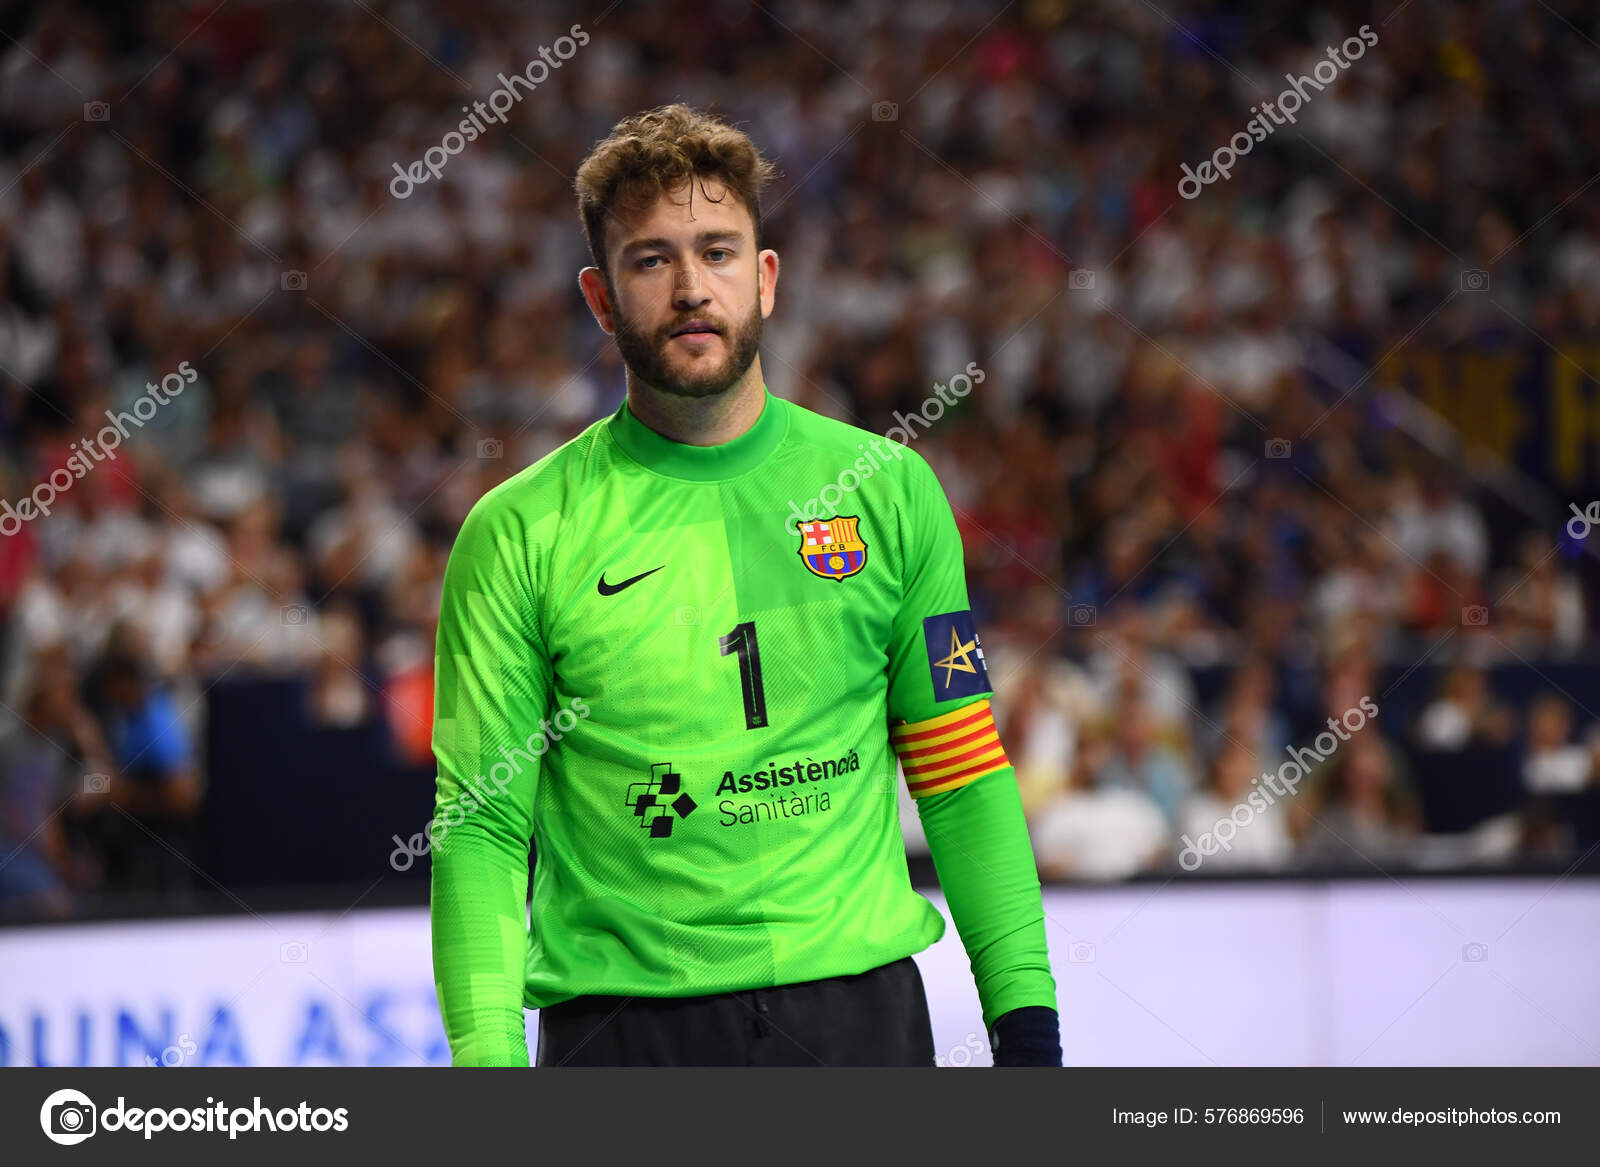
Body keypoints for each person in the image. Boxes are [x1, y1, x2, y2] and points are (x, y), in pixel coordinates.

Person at [429, 105, 1058, 1067]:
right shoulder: (517, 532)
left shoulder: (889, 490)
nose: (690, 287)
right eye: (652, 260)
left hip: (861, 1021)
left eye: (718, 251)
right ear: (600, 299)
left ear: (764, 278)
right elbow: (479, 832)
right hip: (623, 1035)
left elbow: (963, 772)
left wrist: (1030, 1031)